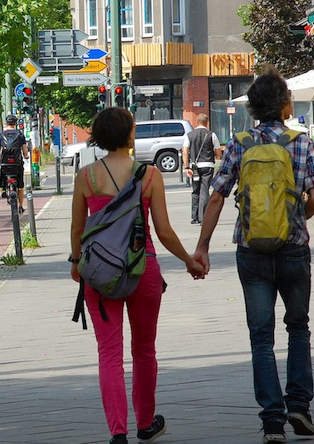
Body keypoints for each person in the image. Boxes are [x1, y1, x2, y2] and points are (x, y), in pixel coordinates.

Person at [193, 68, 314, 443]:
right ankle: (299, 405)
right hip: (293, 249)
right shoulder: (302, 144)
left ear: (252, 109)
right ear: (285, 105)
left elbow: (216, 196)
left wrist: (202, 247)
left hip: (251, 251)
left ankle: (272, 422)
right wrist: (295, 220)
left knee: (261, 337)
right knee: (298, 327)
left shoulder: (239, 143)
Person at [71, 108, 205, 444]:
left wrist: (77, 263)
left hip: (99, 274)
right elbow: (163, 231)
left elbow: (76, 228)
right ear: (130, 136)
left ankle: (118, 431)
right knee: (144, 350)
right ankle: (145, 423)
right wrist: (189, 260)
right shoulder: (149, 176)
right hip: (142, 269)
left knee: (109, 353)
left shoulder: (85, 177)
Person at [182, 114, 222, 224]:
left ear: (196, 122)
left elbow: (185, 151)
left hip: (194, 167)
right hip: (207, 166)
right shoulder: (211, 135)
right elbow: (218, 152)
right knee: (204, 190)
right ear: (207, 122)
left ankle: (194, 217)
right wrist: (216, 157)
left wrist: (186, 167)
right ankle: (203, 217)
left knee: (195, 190)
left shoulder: (189, 135)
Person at [0, 114, 29, 213]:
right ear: (15, 123)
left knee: (2, 174)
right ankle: (21, 206)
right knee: (20, 186)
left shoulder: (1, 135)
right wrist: (26, 156)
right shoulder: (20, 135)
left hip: (5, 163)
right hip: (17, 163)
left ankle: (3, 189)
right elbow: (25, 150)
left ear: (6, 123)